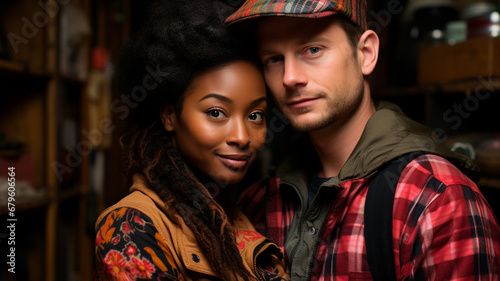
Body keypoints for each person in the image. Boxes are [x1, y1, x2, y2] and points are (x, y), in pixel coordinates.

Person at [225, 0, 500, 280]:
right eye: (274, 59)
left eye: (313, 49)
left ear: (366, 53)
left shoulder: (437, 199)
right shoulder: (258, 201)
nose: (290, 77)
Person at [93, 0, 290, 280]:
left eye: (255, 115)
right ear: (170, 115)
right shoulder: (130, 227)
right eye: (216, 112)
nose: (242, 137)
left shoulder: (234, 214)